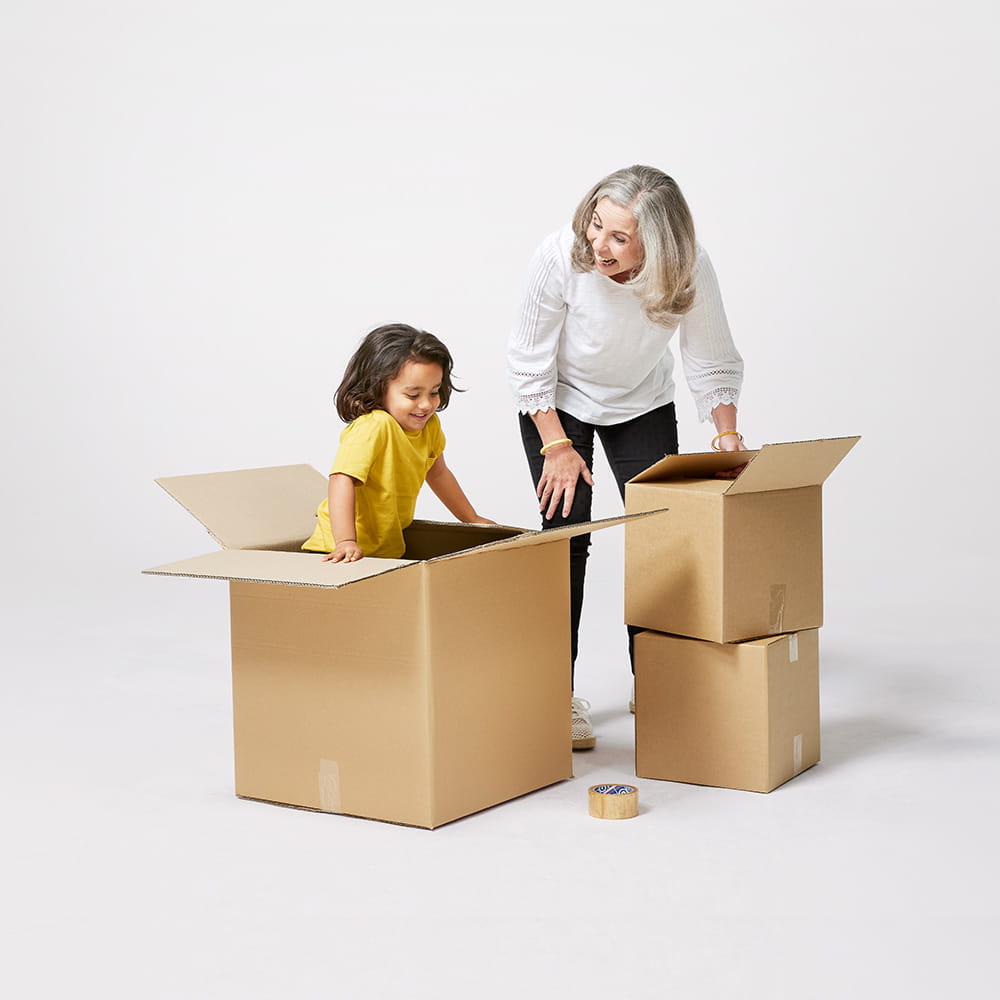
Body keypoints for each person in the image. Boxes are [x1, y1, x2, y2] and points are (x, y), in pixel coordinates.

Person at [507, 164, 748, 750]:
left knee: (662, 541)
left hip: (641, 400)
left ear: (658, 243)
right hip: (556, 401)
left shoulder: (688, 266)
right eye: (597, 226)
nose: (600, 245)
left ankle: (658, 681)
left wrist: (727, 438)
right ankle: (554, 694)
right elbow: (529, 361)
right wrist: (556, 445)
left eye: (619, 237)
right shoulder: (559, 256)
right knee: (566, 537)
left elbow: (710, 355)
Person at [303, 323, 494, 562]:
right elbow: (342, 478)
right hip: (337, 550)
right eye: (413, 395)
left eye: (434, 392)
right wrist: (346, 541)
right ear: (378, 388)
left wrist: (471, 518)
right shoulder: (375, 426)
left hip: (385, 548)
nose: (426, 404)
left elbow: (438, 473)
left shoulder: (430, 427)